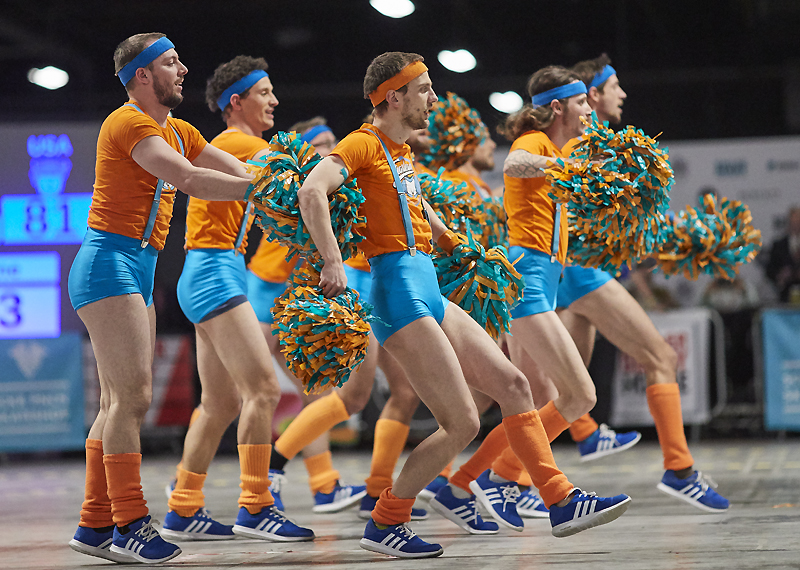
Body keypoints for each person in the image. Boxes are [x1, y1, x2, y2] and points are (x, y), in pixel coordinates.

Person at [297, 51, 631, 558]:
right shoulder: (361, 144)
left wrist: (454, 243)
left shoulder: (399, 151)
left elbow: (412, 203)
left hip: (426, 284)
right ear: (394, 97)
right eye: (425, 89)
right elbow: (312, 190)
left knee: (515, 386)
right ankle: (387, 518)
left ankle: (560, 499)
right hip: (396, 294)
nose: (433, 99)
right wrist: (332, 261)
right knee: (462, 424)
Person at [67, 34, 271, 564]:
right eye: (169, 62)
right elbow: (186, 178)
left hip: (138, 265)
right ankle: (130, 524)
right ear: (141, 75)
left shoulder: (178, 128)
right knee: (131, 400)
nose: (182, 69)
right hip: (108, 261)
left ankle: (94, 523)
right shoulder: (128, 121)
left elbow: (231, 168)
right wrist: (259, 191)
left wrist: (283, 186)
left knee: (118, 401)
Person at [503, 55, 729, 516]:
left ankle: (485, 480)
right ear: (576, 100)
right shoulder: (552, 145)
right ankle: (676, 469)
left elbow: (597, 221)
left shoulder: (581, 146)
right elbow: (519, 162)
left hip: (556, 272)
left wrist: (669, 245)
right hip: (561, 273)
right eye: (608, 89)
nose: (618, 95)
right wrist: (572, 170)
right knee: (574, 389)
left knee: (546, 395)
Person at [161, 55, 314, 543]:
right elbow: (307, 190)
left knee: (221, 402)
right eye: (264, 92)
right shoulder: (245, 143)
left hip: (206, 271)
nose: (274, 101)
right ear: (237, 101)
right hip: (216, 272)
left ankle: (182, 508)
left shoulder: (230, 143)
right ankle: (256, 505)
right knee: (265, 391)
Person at [266, 118, 429, 521]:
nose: (330, 149)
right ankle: (275, 471)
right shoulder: (318, 195)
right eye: (319, 145)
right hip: (327, 300)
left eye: (331, 142)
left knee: (404, 393)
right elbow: (278, 269)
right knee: (340, 397)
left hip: (373, 288)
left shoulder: (354, 181)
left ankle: (374, 490)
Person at [765, 206, 800, 303]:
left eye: (798, 221)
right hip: (786, 295)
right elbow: (769, 270)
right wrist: (780, 275)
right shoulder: (779, 245)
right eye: (794, 221)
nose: (796, 225)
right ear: (789, 223)